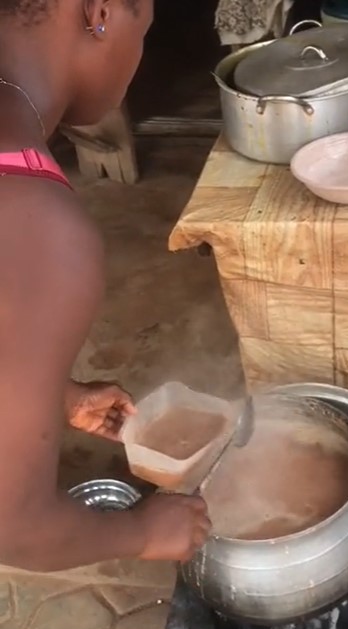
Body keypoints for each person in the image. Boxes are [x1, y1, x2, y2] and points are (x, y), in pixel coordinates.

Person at [0, 0, 211, 571]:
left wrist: (52, 394)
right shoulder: (41, 230)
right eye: (146, 24)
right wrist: (144, 532)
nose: (140, 54)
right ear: (100, 13)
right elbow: (16, 527)